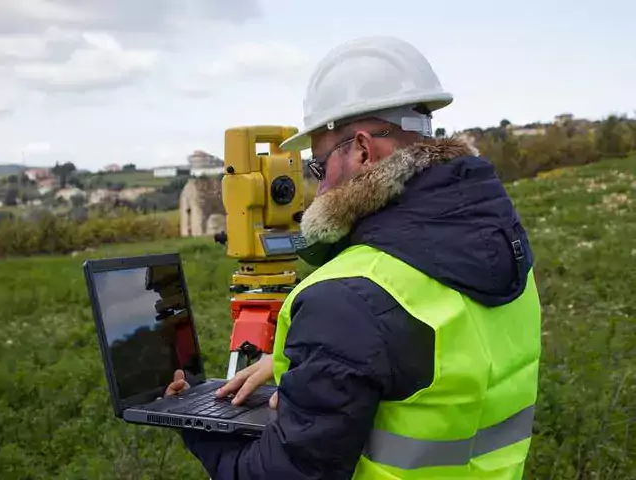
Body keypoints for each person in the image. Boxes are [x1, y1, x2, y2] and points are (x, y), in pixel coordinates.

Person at [166, 36, 542, 479]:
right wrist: (308, 362)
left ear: (362, 150)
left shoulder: (348, 297)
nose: (319, 187)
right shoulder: (505, 247)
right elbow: (423, 359)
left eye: (319, 166)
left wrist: (194, 422)